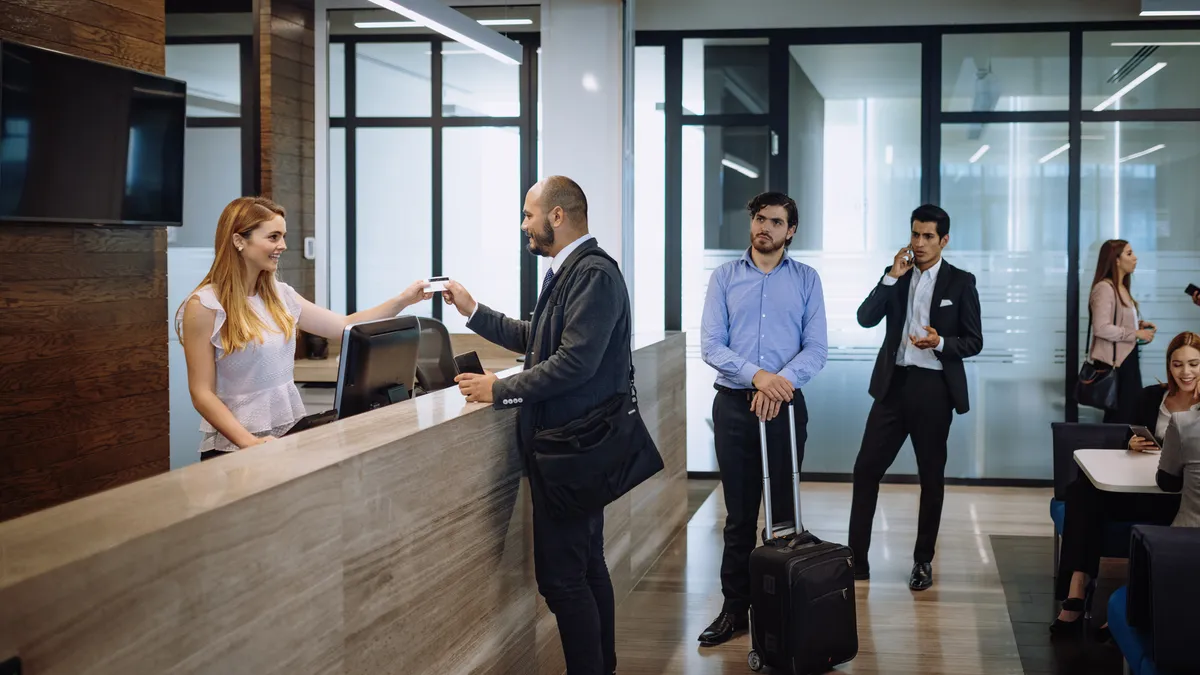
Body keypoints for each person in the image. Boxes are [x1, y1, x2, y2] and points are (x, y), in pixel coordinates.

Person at [441, 176, 628, 675]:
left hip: (574, 449)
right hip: (573, 447)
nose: (525, 225)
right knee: (586, 567)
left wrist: (498, 389)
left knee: (563, 580)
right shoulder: (569, 271)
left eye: (529, 214)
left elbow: (574, 363)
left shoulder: (592, 274)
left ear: (558, 216)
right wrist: (474, 311)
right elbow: (540, 339)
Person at [177, 196, 431, 460]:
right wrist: (249, 443)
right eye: (273, 237)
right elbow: (201, 392)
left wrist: (403, 300)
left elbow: (344, 326)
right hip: (237, 448)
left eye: (283, 236)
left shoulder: (280, 295)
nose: (283, 246)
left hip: (289, 436)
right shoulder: (205, 305)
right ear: (239, 241)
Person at [695, 191, 828, 647]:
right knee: (739, 516)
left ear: (791, 231)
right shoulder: (725, 277)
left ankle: (781, 607)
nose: (763, 227)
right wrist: (760, 378)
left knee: (784, 516)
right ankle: (736, 608)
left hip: (785, 408)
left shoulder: (807, 280)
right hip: (734, 406)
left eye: (775, 221)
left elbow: (817, 349)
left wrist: (778, 385)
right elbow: (712, 345)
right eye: (758, 218)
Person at [848, 204, 983, 591]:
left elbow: (974, 340)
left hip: (934, 390)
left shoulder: (961, 282)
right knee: (865, 470)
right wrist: (891, 276)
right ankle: (856, 560)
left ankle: (922, 561)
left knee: (931, 478)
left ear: (944, 240)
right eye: (915, 234)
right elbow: (865, 317)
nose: (919, 243)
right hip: (893, 386)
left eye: (928, 237)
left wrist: (940, 341)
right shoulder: (897, 276)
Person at [1050, 331, 1198, 638]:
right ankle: (1077, 586)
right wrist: (1131, 442)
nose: (1186, 372)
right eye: (1178, 364)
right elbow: (1126, 437)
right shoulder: (1151, 396)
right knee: (1084, 489)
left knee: (1085, 493)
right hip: (1142, 484)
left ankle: (1121, 609)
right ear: (1168, 366)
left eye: (1194, 364)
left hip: (1178, 495)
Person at [1086, 239, 1156, 423]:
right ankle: (1111, 451)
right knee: (1121, 417)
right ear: (1115, 260)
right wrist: (1135, 334)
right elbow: (1100, 328)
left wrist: (1139, 327)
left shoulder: (1122, 288)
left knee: (1131, 414)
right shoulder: (1104, 288)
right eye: (1129, 253)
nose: (1135, 258)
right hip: (1115, 364)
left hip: (1128, 359)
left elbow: (1118, 321)